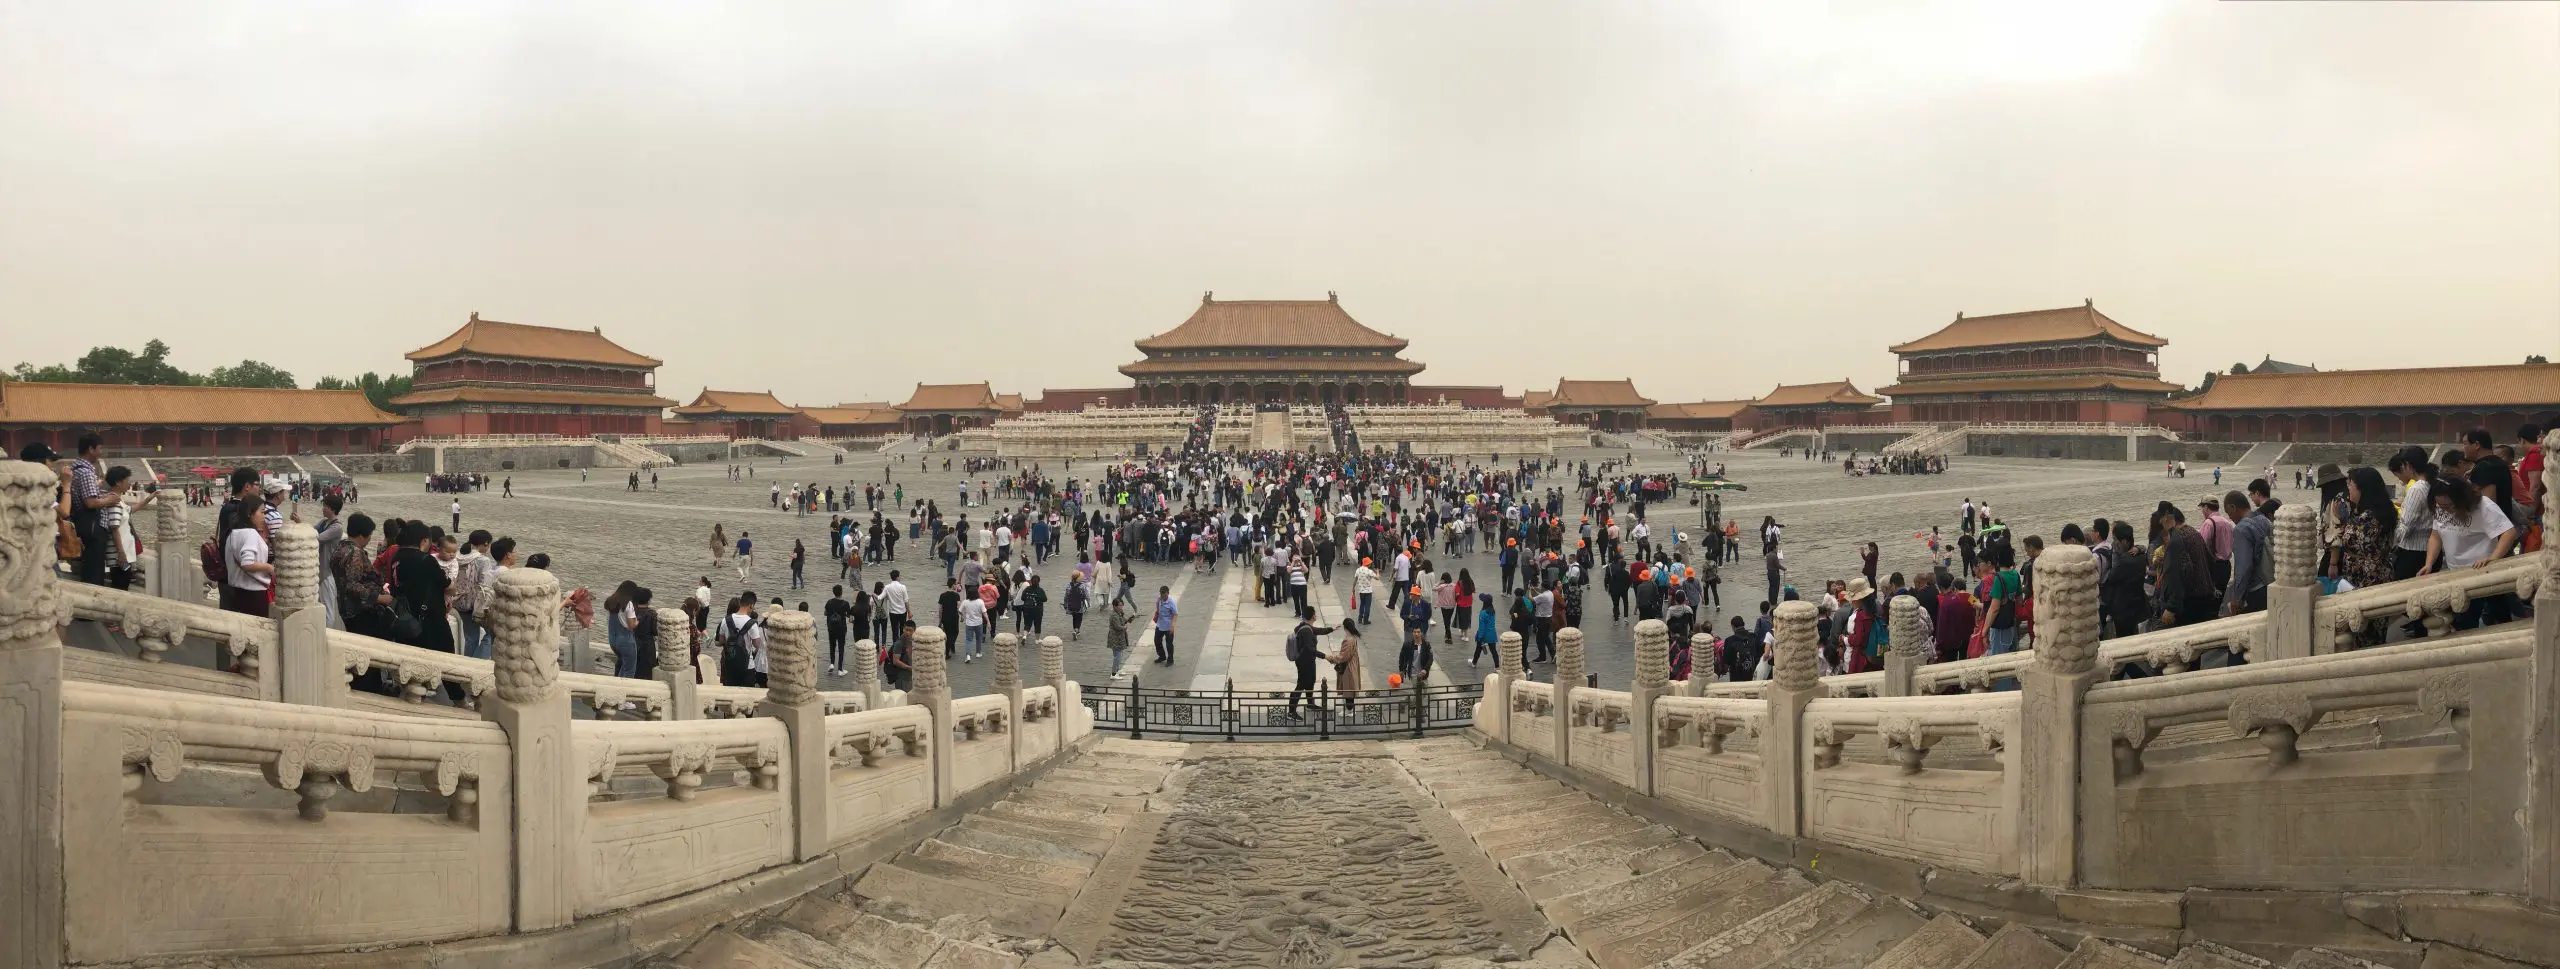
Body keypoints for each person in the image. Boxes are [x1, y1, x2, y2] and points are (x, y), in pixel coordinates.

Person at [2419, 474, 2516, 628]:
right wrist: (2429, 563)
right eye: (2441, 506)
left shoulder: (2484, 506)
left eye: (2449, 506)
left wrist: (2493, 558)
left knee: (2497, 616)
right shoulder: (2440, 505)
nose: (2445, 509)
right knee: (2463, 619)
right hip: (2456, 572)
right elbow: (2435, 536)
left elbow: (2508, 532)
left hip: (2483, 571)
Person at [1329, 619, 1365, 707]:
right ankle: (1349, 709)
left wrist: (1332, 658)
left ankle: (1349, 710)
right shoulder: (1353, 638)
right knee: (1349, 689)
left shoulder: (1348, 641)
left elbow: (1343, 657)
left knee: (1348, 689)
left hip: (1348, 668)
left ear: (1345, 627)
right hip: (1351, 666)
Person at [1105, 595, 1135, 679]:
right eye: (1119, 605)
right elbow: (1118, 627)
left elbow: (1125, 621)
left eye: (1122, 605)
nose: (1121, 607)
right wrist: (1125, 627)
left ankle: (1117, 669)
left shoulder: (1120, 613)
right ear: (1115, 606)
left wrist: (1132, 618)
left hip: (1120, 637)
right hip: (1115, 638)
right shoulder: (1114, 615)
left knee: (1120, 654)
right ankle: (1113, 674)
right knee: (1117, 656)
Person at [824, 585, 851, 675]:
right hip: (841, 628)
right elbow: (849, 615)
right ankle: (840, 669)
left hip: (831, 628)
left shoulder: (829, 602)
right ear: (841, 592)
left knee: (832, 645)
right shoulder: (845, 603)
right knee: (841, 647)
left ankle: (832, 664)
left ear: (833, 592)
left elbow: (825, 613)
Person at [1152, 585, 1178, 665]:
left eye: (1164, 594)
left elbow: (1175, 614)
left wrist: (1172, 626)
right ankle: (1162, 656)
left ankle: (1170, 660)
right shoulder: (1159, 600)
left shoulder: (1171, 603)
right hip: (1160, 625)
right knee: (1157, 641)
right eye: (1161, 593)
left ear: (1168, 593)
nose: (1162, 595)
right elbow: (1157, 607)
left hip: (1168, 626)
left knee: (1169, 644)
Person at [1471, 592, 1499, 666]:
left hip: (1484, 635)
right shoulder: (1492, 611)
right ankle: (1497, 666)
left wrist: (1480, 637)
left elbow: (1482, 627)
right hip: (1492, 634)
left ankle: (1474, 663)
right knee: (1494, 651)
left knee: (1478, 649)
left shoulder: (1483, 613)